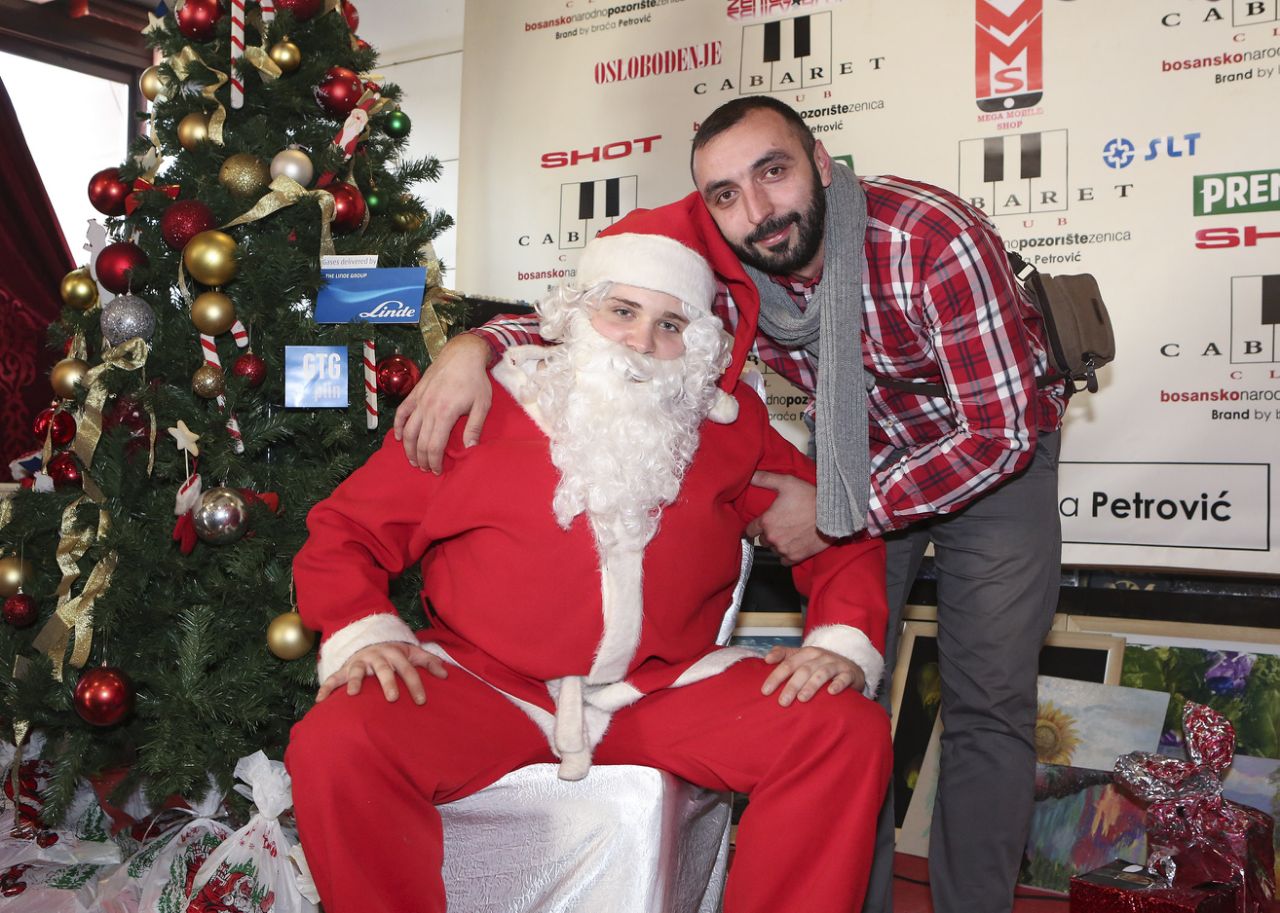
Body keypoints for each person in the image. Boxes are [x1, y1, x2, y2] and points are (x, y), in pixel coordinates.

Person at [393, 96, 1067, 913]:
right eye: (726, 192)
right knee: (843, 689)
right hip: (855, 454)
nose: (756, 208)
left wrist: (839, 510)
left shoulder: (928, 238)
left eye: (774, 172)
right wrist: (475, 346)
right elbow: (599, 308)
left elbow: (1000, 434)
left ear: (821, 165)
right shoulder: (717, 225)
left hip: (989, 456)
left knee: (987, 702)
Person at [286, 226, 892, 913]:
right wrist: (364, 630)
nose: (642, 341)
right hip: (487, 687)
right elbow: (347, 529)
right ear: (578, 313)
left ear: (697, 342)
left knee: (842, 730)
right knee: (339, 740)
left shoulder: (727, 424)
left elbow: (837, 531)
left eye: (670, 325)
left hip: (664, 693)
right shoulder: (481, 406)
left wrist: (839, 643)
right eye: (622, 311)